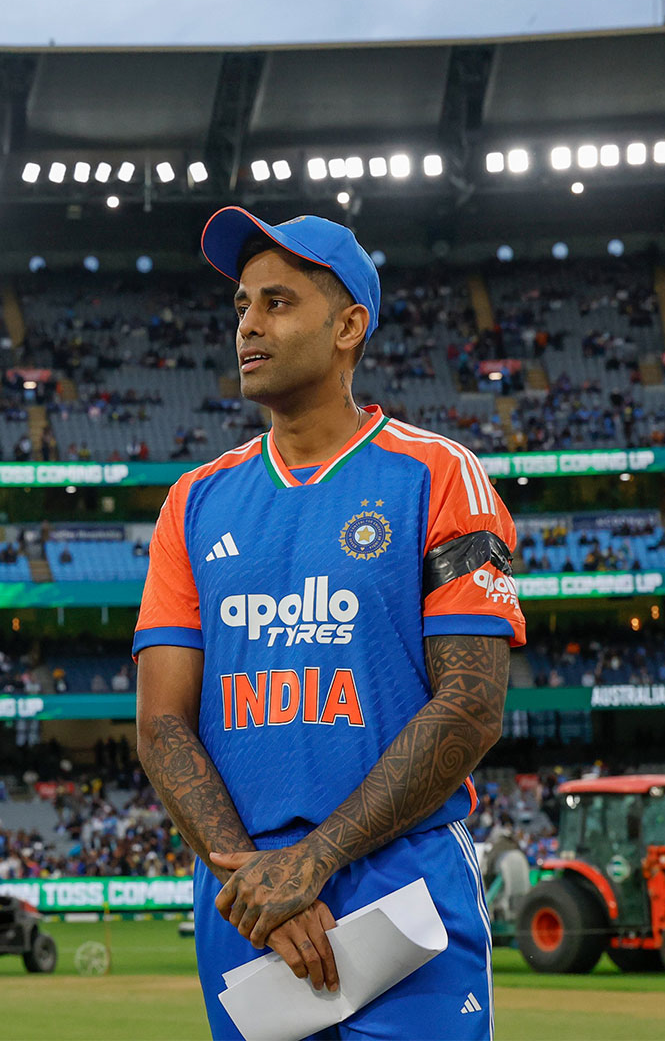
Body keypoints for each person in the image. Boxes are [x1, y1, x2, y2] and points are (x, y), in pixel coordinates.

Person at [135, 209, 525, 1040]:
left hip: (400, 881)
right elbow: (163, 723)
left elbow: (471, 705)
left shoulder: (439, 474)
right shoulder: (194, 502)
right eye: (241, 305)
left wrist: (315, 861)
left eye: (277, 303)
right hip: (242, 894)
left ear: (349, 326)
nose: (247, 324)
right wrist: (260, 881)